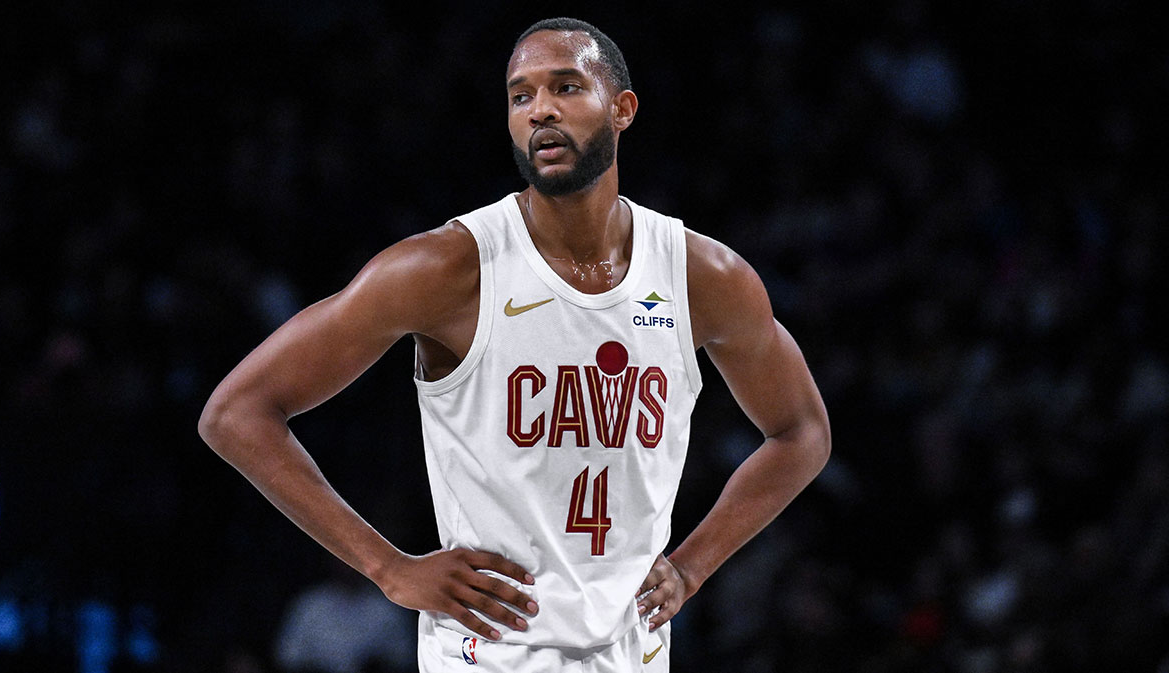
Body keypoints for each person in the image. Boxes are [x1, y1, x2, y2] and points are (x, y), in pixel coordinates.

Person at [199, 17, 830, 672]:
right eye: (521, 95)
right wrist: (387, 568)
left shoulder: (702, 275)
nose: (541, 111)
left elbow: (802, 432)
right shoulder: (446, 268)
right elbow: (237, 413)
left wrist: (694, 565)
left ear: (623, 109)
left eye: (565, 87)